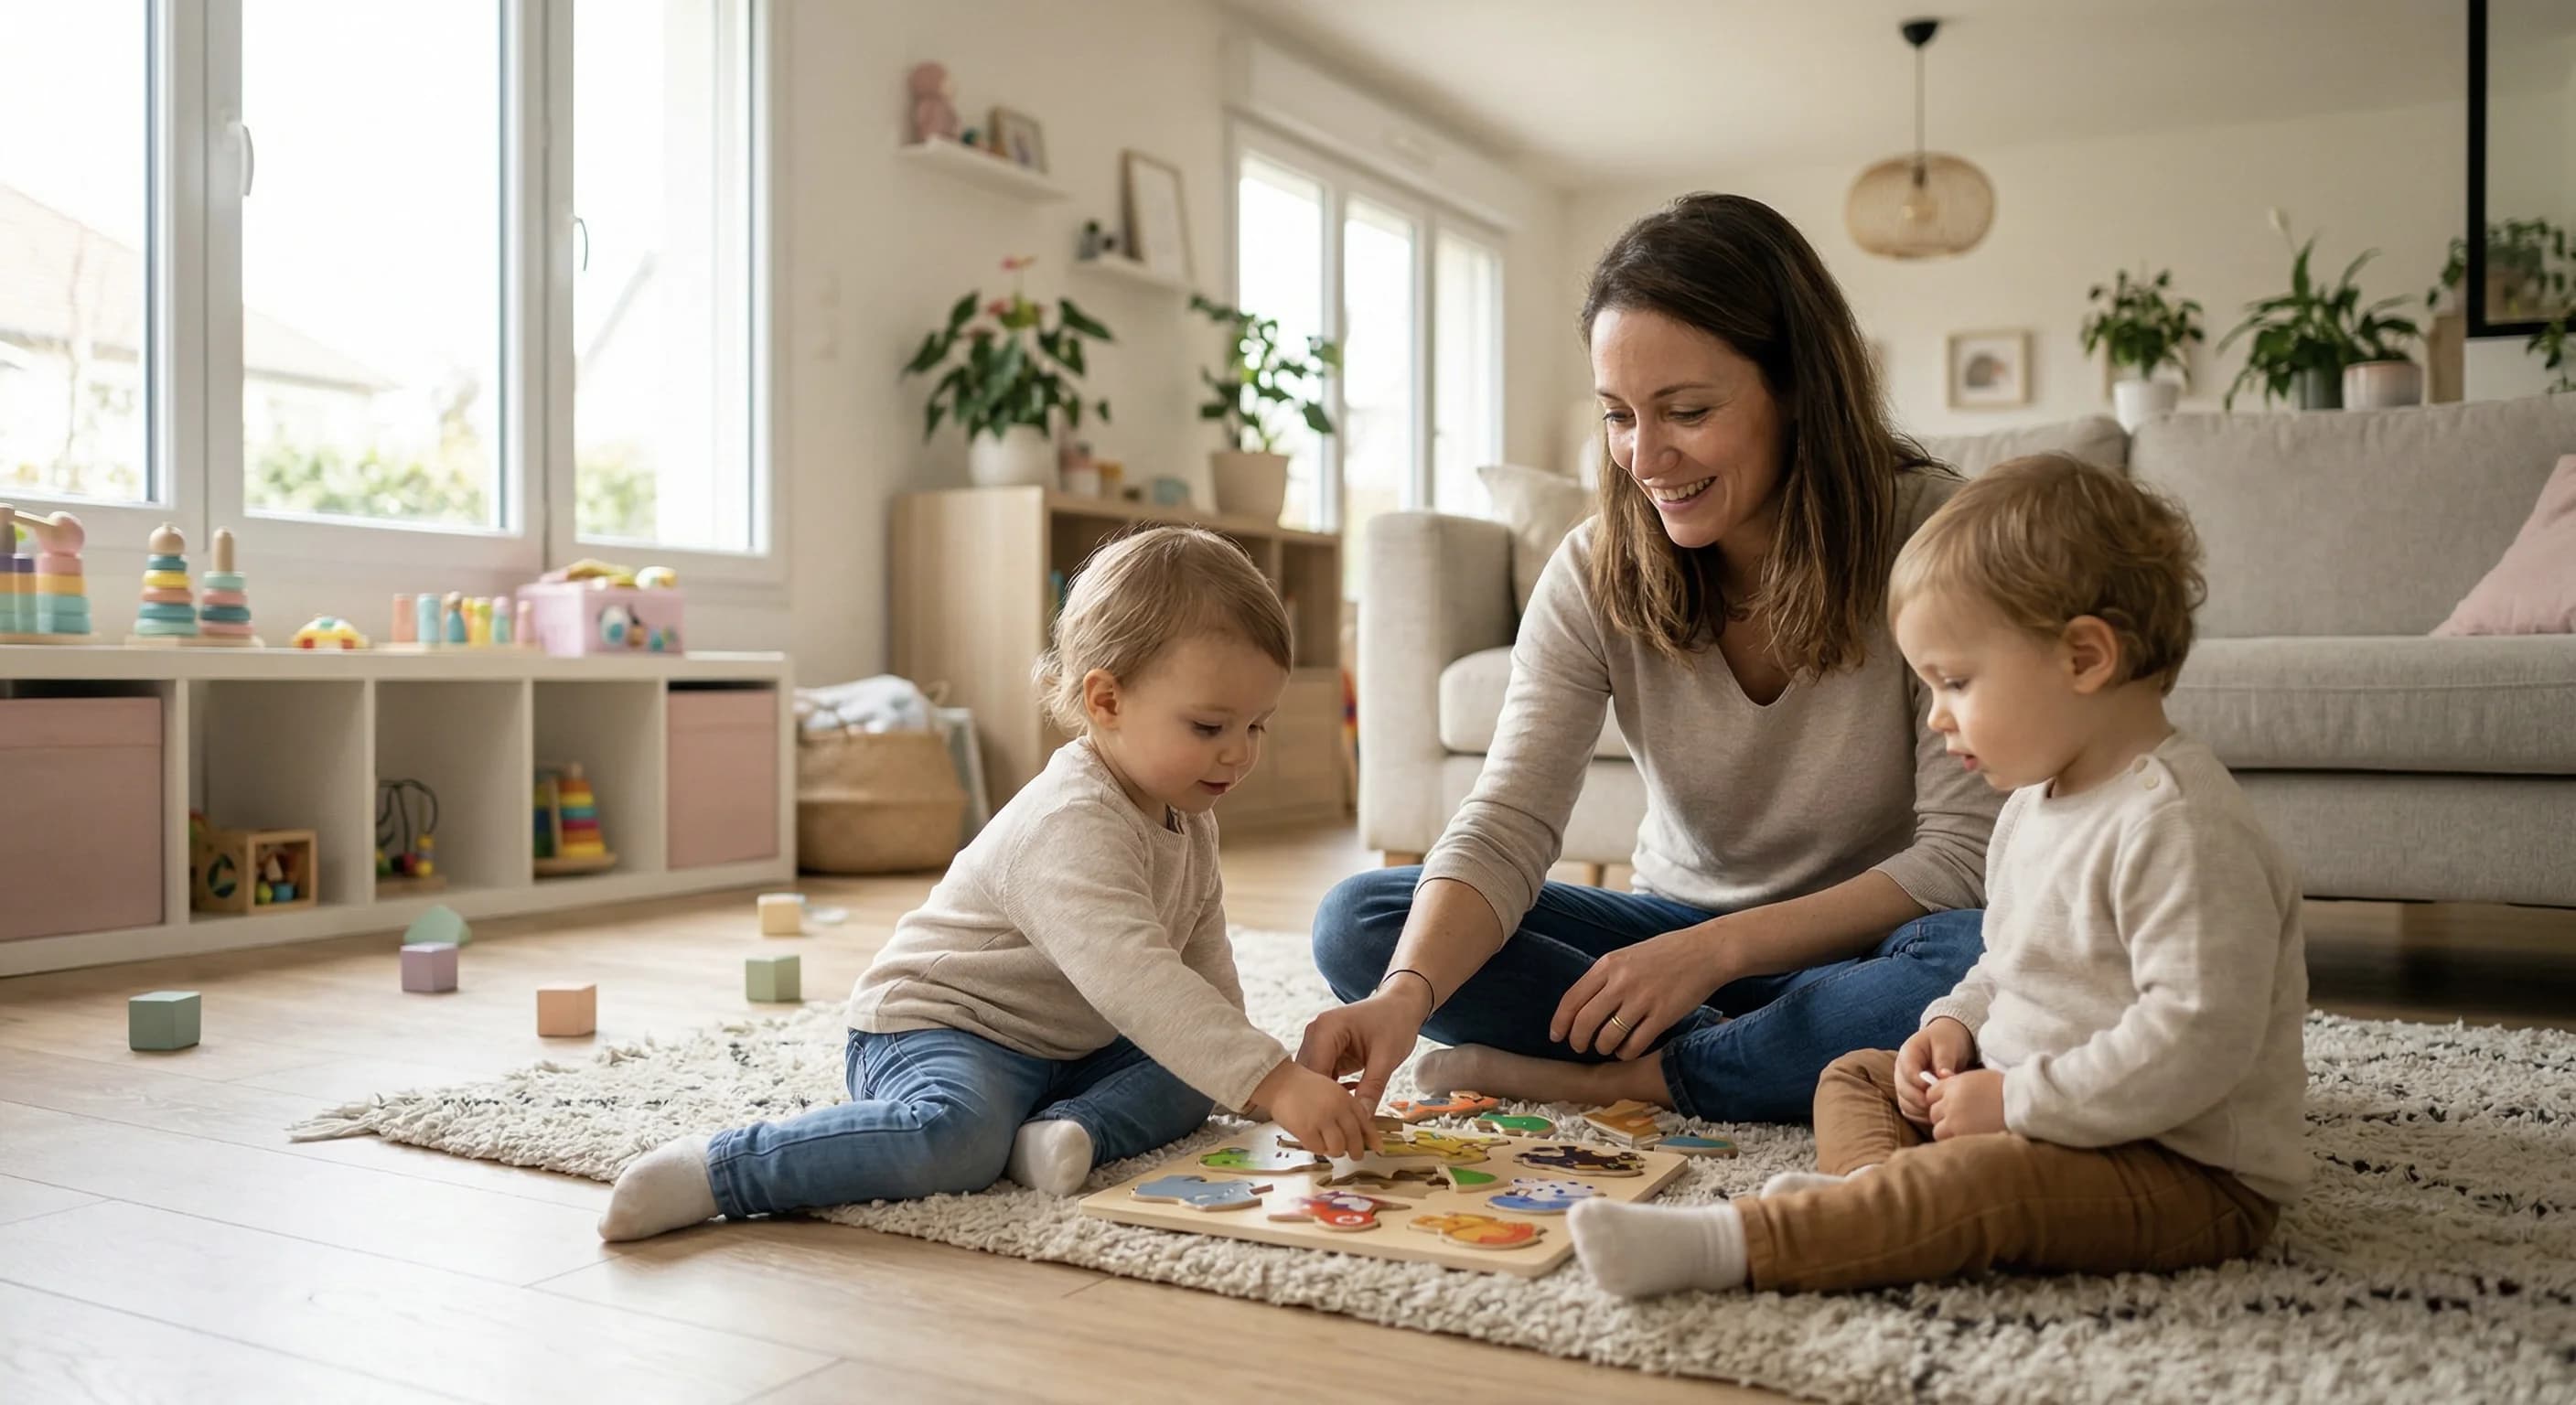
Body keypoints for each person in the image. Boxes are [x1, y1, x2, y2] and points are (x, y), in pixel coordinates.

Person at [1302, 194, 1999, 1123]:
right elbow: (1506, 821)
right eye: (1618, 416)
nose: (1645, 457)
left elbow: (1963, 858)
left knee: (1985, 955)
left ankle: (1637, 1074)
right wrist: (1405, 995)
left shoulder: (1937, 538)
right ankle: (1769, 1054)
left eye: (1687, 411)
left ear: (1796, 387)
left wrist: (1715, 954)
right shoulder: (1593, 568)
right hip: (1669, 929)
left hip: (1877, 938)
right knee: (1364, 926)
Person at [1570, 455, 2307, 1296]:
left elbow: (2196, 1043)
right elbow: (2005, 960)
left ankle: (1745, 1244)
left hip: (2178, 1167)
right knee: (1856, 1074)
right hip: (2029, 1111)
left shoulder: (2179, 827)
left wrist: (2016, 1101)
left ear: (2084, 657)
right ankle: (1870, 1207)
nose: (1937, 717)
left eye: (1955, 683)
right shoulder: (2033, 805)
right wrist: (1954, 1025)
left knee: (1986, 1187)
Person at [597, 527, 1378, 1240]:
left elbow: (1201, 974)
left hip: (1071, 1045)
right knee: (958, 1140)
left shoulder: (1188, 816)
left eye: (1257, 725)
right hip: (941, 1028)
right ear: (1106, 700)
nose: (1240, 753)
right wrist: (1273, 1080)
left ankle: (1065, 1134)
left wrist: (1259, 1081)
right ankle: (724, 1169)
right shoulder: (1070, 820)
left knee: (1194, 1072)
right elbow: (1135, 975)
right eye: (1210, 727)